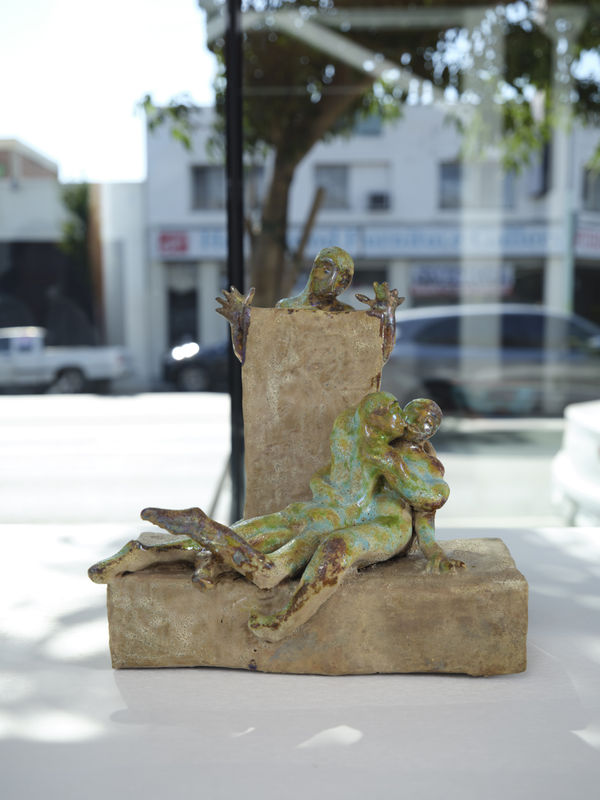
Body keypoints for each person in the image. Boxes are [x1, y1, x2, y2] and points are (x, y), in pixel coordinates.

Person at [141, 392, 464, 642]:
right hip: (342, 514)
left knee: (337, 546)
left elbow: (428, 503)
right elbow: (343, 477)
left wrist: (434, 551)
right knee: (281, 526)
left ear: (432, 430)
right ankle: (206, 544)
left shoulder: (424, 464)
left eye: (427, 423)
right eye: (413, 416)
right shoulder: (371, 443)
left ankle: (285, 619)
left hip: (389, 527)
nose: (417, 426)